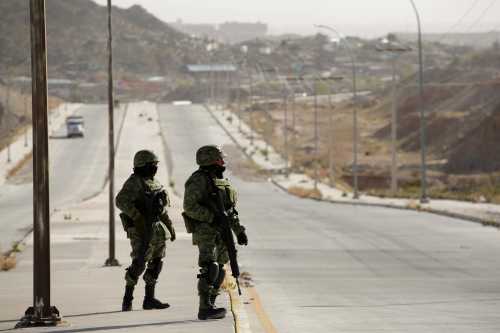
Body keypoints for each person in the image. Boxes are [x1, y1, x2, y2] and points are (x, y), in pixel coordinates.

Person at [183, 145, 248, 320]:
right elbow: (189, 207)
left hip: (222, 232)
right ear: (211, 160)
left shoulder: (222, 181)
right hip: (206, 231)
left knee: (221, 270)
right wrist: (211, 217)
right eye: (220, 159)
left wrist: (239, 231)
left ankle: (211, 302)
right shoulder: (198, 180)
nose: (222, 162)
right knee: (210, 267)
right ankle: (204, 308)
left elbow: (230, 212)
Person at [116, 149, 176, 311]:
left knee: (156, 262)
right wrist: (137, 216)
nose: (155, 168)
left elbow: (161, 208)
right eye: (152, 165)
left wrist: (169, 226)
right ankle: (127, 299)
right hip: (141, 230)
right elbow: (120, 201)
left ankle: (149, 299)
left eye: (156, 165)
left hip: (157, 229)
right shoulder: (134, 182)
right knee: (139, 263)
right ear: (142, 165)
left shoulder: (154, 182)